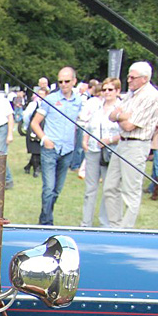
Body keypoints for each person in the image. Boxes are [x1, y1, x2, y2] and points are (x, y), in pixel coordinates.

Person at [102, 61, 158, 228]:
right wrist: (123, 115)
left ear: (144, 78)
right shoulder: (132, 94)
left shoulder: (150, 96)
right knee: (110, 187)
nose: (128, 80)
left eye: (132, 77)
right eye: (128, 76)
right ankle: (114, 226)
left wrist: (120, 116)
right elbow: (112, 115)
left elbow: (129, 125)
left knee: (130, 191)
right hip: (122, 142)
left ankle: (126, 229)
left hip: (137, 145)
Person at [30, 67, 83, 225]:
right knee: (48, 188)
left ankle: (45, 214)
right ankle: (46, 223)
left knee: (57, 190)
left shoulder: (78, 101)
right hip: (50, 150)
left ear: (74, 81)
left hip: (67, 150)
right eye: (60, 81)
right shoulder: (51, 100)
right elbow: (35, 123)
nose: (63, 84)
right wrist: (45, 139)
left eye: (67, 81)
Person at [79, 76, 122, 226]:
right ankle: (86, 222)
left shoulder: (121, 108)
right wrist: (84, 140)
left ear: (117, 91)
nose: (107, 92)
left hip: (110, 152)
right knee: (90, 188)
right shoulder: (96, 106)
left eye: (110, 89)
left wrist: (109, 140)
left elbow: (125, 132)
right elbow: (88, 125)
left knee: (108, 189)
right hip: (92, 149)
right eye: (104, 89)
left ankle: (105, 223)